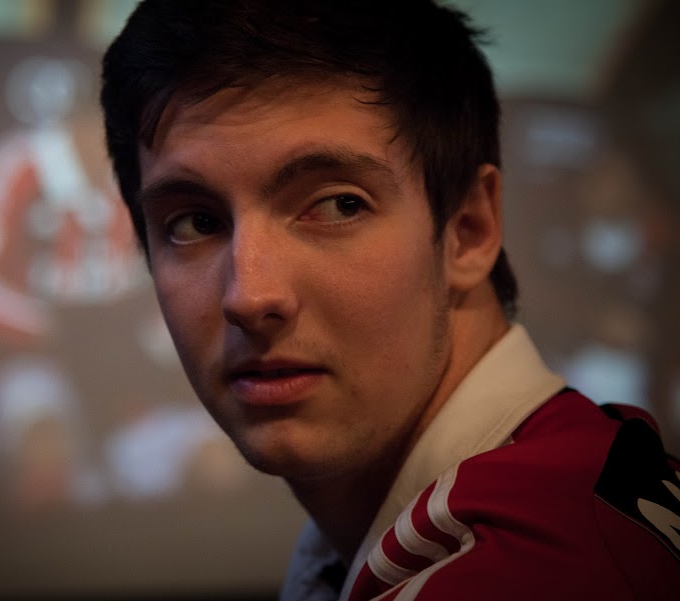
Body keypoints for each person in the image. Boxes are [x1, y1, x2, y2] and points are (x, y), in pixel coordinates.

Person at [98, 1, 680, 599]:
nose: (249, 295)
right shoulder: (580, 477)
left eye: (338, 205)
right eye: (193, 223)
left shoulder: (509, 575)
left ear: (469, 230)